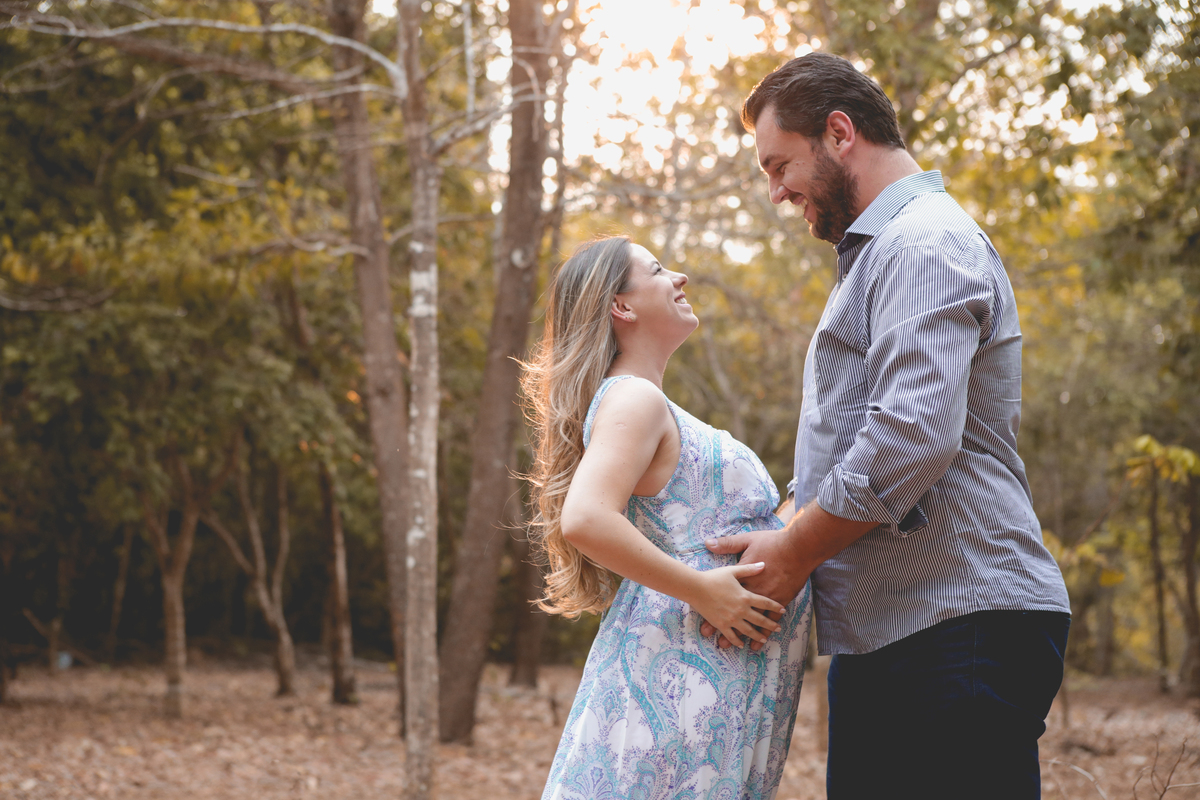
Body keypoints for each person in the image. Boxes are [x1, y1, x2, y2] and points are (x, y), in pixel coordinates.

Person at [702, 53, 1072, 799]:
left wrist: (793, 552)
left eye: (779, 166)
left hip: (957, 624)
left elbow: (911, 437)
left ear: (839, 133)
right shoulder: (883, 254)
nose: (776, 193)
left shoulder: (921, 243)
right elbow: (856, 445)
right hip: (898, 627)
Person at [527, 236, 813, 800]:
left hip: (708, 677)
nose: (678, 276)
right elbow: (584, 518)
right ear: (622, 306)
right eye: (657, 270)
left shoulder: (648, 403)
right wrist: (703, 591)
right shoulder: (635, 399)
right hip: (677, 676)